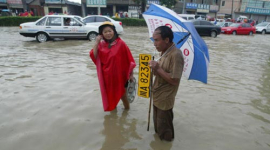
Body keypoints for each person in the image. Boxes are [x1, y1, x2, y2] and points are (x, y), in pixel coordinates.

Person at [89, 22, 136, 111]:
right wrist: (97, 42)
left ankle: (127, 111)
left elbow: (129, 60)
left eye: (110, 31)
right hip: (107, 77)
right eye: (105, 32)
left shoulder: (121, 43)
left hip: (120, 77)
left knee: (123, 96)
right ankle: (113, 115)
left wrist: (131, 75)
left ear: (114, 31)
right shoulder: (101, 45)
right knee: (110, 96)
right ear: (101, 34)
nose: (108, 33)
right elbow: (94, 56)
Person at [149, 26, 184, 141]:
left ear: (167, 40)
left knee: (165, 131)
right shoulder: (164, 53)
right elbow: (160, 73)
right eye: (154, 40)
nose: (154, 43)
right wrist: (154, 69)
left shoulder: (176, 55)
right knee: (158, 127)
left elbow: (174, 80)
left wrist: (158, 69)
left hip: (165, 99)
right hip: (157, 95)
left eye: (157, 40)